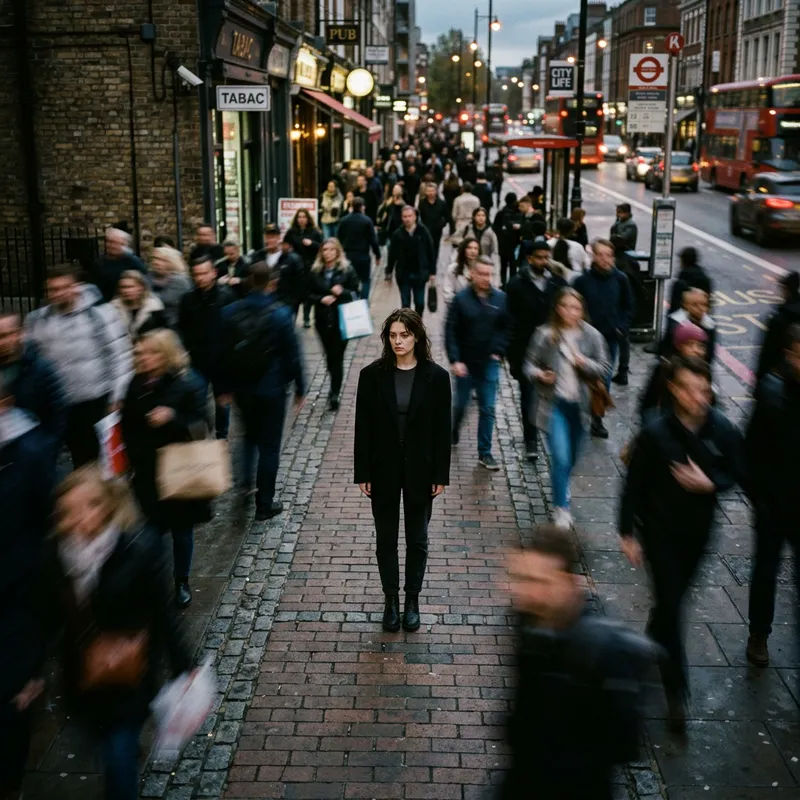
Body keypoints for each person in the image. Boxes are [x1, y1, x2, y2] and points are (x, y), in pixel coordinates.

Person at [37, 466, 194, 799]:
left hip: (130, 679)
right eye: (69, 511)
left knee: (117, 758)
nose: (79, 519)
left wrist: (185, 667)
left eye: (90, 505)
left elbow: (163, 615)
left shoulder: (140, 548)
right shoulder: (54, 556)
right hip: (82, 679)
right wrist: (30, 671)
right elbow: (45, 619)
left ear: (107, 505)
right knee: (101, 741)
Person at [620, 357, 746, 735]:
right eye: (690, 389)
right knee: (674, 607)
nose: (699, 397)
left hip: (698, 533)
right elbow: (633, 485)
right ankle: (677, 693)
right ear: (674, 389)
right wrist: (626, 531)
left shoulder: (721, 429)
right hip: (659, 535)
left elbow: (739, 471)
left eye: (704, 390)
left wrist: (711, 484)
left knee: (672, 603)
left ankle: (655, 632)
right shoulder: (655, 433)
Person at [502, 526, 654, 800]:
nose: (526, 592)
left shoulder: (605, 652)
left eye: (540, 581)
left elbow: (621, 745)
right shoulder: (529, 621)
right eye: (521, 578)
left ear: (569, 583)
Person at [354, 309, 451, 633]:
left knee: (417, 539)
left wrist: (440, 474)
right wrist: (362, 471)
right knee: (386, 539)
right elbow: (362, 427)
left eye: (404, 335)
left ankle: (412, 600)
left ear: (417, 337)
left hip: (421, 470)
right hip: (383, 467)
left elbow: (442, 430)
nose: (398, 341)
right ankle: (390, 600)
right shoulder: (371, 375)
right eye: (393, 335)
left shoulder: (436, 377)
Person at [121, 330, 210, 608]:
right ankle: (153, 582)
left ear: (166, 354)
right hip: (147, 471)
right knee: (150, 532)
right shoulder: (134, 386)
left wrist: (173, 418)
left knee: (182, 531)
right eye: (139, 353)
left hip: (180, 469)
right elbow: (127, 427)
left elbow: (201, 426)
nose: (144, 358)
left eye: (151, 352)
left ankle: (181, 580)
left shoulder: (186, 384)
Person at [0, 373, 57, 800]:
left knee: (12, 699)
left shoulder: (31, 450)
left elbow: (45, 529)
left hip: (16, 590)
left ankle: (10, 779)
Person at [219, 262, 306, 520]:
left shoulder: (229, 312)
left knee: (247, 436)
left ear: (247, 281)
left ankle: (244, 484)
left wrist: (224, 387)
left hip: (242, 389)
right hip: (272, 389)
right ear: (272, 282)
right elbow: (292, 355)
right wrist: (300, 388)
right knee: (269, 446)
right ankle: (264, 504)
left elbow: (221, 354)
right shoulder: (280, 313)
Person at [25, 264, 132, 467]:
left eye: (63, 287)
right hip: (55, 403)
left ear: (76, 287)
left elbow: (120, 355)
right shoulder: (38, 320)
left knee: (93, 461)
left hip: (93, 399)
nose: (58, 294)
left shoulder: (101, 314)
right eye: (53, 289)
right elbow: (31, 359)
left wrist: (117, 395)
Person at [524, 288, 610, 528]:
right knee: (560, 457)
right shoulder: (545, 334)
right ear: (558, 309)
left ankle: (562, 483)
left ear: (582, 310)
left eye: (576, 307)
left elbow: (604, 367)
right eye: (566, 307)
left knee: (571, 457)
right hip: (554, 406)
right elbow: (528, 365)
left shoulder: (591, 336)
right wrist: (541, 374)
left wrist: (584, 362)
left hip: (580, 408)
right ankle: (561, 507)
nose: (571, 312)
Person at [745, 323, 800, 667]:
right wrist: (760, 499)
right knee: (766, 569)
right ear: (790, 354)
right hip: (773, 505)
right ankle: (758, 634)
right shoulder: (771, 392)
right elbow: (749, 451)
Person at [446, 256, 510, 471]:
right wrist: (455, 359)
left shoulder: (500, 299)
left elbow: (506, 328)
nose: (486, 278)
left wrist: (499, 351)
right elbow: (451, 331)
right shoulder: (461, 299)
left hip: (489, 362)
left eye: (489, 274)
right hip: (466, 361)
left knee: (488, 408)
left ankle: (485, 452)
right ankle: (454, 428)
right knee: (461, 403)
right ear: (472, 274)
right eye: (481, 273)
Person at [507, 241, 568, 461]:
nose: (544, 261)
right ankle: (530, 439)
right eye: (539, 257)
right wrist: (512, 357)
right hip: (526, 350)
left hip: (553, 350)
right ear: (530, 258)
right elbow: (510, 321)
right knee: (529, 397)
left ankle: (555, 435)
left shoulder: (558, 283)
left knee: (556, 395)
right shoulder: (516, 284)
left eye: (546, 257)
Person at [573, 239, 635, 438]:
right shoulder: (582, 281)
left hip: (609, 339)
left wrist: (621, 328)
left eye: (609, 255)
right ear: (593, 256)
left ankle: (597, 420)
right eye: (601, 255)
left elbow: (629, 306)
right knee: (583, 378)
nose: (605, 259)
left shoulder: (620, 279)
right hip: (585, 338)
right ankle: (578, 414)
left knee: (604, 380)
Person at [177, 255, 236, 440]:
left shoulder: (226, 297)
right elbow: (182, 327)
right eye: (196, 274)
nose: (200, 278)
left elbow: (234, 330)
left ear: (213, 273)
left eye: (204, 273)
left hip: (222, 362)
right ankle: (200, 437)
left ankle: (222, 437)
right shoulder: (188, 299)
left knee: (222, 403)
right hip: (197, 360)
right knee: (196, 402)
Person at [0, 310, 66, 457]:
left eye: (6, 335)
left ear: (20, 334)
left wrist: (48, 448)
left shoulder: (40, 369)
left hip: (33, 454)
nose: (2, 342)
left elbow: (56, 413)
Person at [307, 239, 361, 410]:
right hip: (322, 320)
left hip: (342, 320)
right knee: (330, 356)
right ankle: (333, 381)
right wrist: (321, 299)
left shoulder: (346, 269)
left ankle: (334, 393)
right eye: (325, 250)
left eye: (331, 250)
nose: (328, 253)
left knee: (337, 356)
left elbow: (356, 293)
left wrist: (342, 292)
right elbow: (307, 293)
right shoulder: (316, 271)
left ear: (337, 251)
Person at [639, 322, 708, 426]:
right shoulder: (665, 368)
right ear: (679, 346)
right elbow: (649, 401)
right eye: (690, 344)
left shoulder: (704, 370)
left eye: (700, 346)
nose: (696, 350)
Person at [386, 205, 436, 317]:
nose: (407, 219)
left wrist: (432, 272)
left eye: (409, 216)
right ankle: (408, 325)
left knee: (419, 302)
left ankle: (417, 323)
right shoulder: (397, 234)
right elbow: (392, 254)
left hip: (420, 272)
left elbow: (430, 252)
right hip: (404, 273)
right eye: (404, 216)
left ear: (415, 217)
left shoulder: (423, 232)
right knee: (405, 304)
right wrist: (389, 271)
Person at [253, 223, 306, 317]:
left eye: (272, 237)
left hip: (284, 303)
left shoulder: (292, 258)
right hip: (262, 303)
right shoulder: (258, 256)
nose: (270, 240)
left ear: (278, 238)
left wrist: (292, 306)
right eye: (267, 237)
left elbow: (300, 285)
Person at [755, 271, 800, 380]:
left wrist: (760, 376)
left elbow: (768, 350)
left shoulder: (780, 317)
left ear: (786, 290)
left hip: (782, 372)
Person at [336, 196, 381, 302]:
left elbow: (338, 238)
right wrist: (377, 255)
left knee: (349, 280)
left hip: (348, 255)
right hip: (363, 255)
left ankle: (351, 300)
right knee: (365, 280)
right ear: (362, 207)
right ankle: (363, 302)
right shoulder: (367, 221)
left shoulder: (344, 220)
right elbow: (373, 240)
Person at [284, 209, 323, 328]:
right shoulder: (291, 232)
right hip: (295, 267)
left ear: (308, 219)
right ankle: (293, 318)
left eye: (304, 217)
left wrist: (312, 244)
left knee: (308, 293)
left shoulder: (314, 232)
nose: (301, 219)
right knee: (295, 294)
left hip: (309, 266)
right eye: (299, 217)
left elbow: (322, 247)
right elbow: (285, 245)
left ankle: (306, 317)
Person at [661, 287, 716, 365]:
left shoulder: (710, 325)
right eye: (695, 305)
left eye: (704, 304)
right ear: (685, 305)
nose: (700, 308)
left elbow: (709, 355)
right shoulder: (675, 324)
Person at [92, 227, 148, 303]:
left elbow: (145, 281)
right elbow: (95, 290)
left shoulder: (133, 262)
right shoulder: (99, 263)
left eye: (116, 242)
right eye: (109, 242)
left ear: (124, 244)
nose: (112, 245)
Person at [112, 270, 168, 342]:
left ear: (141, 288)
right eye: (123, 287)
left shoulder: (154, 306)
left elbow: (161, 331)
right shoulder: (114, 307)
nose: (126, 291)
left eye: (130, 287)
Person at [150, 246, 193, 328]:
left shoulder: (180, 281)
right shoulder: (150, 277)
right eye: (155, 258)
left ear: (171, 262)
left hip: (174, 326)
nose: (156, 262)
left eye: (162, 260)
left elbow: (163, 299)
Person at [459, 207, 501, 283]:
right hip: (469, 264)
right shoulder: (468, 229)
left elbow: (495, 252)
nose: (481, 218)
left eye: (483, 215)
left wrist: (495, 273)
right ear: (474, 217)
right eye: (478, 215)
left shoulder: (490, 233)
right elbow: (461, 245)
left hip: (484, 264)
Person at [668, 246, 713, 313]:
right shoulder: (705, 279)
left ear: (683, 261)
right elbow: (709, 304)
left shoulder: (680, 282)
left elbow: (674, 307)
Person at [493, 192, 523, 289]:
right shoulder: (518, 213)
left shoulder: (501, 213)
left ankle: (503, 284)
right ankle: (512, 285)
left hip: (503, 244)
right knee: (513, 266)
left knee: (503, 265)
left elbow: (495, 228)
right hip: (515, 244)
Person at [417, 181, 449, 265]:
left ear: (436, 191)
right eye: (428, 191)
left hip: (437, 230)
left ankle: (433, 264)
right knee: (425, 246)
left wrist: (442, 224)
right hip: (425, 229)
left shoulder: (441, 203)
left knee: (435, 247)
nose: (430, 193)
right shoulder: (422, 203)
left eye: (432, 191)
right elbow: (419, 215)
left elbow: (447, 216)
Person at [443, 236, 480, 306]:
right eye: (469, 248)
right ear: (464, 250)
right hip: (458, 308)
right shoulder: (453, 268)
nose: (473, 251)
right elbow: (447, 293)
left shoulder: (481, 270)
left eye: (476, 248)